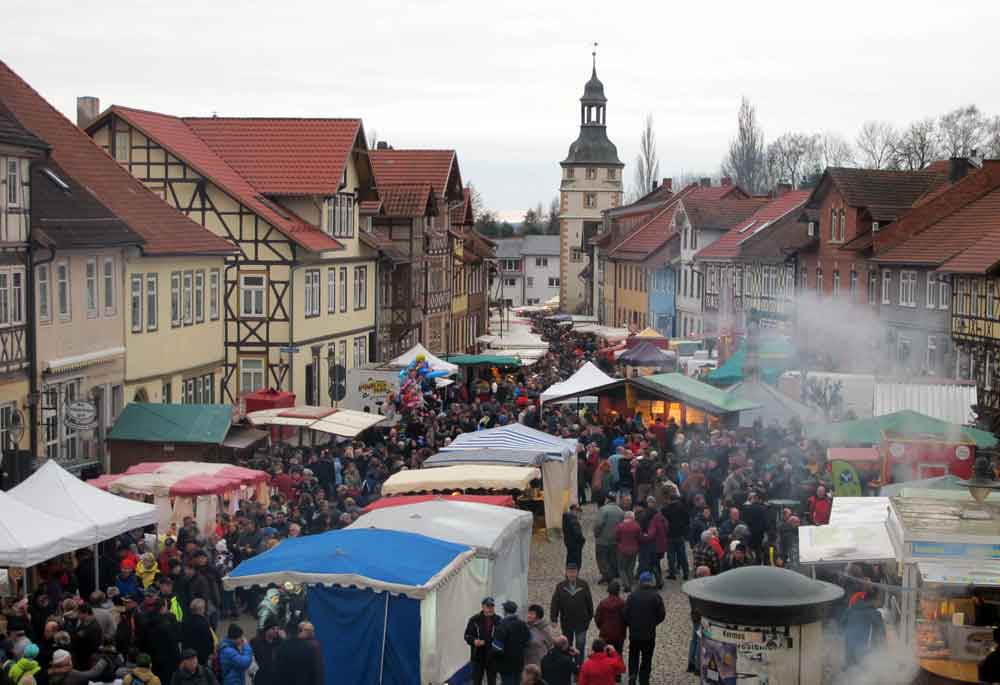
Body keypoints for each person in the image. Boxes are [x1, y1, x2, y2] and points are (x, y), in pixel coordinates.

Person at [623, 572, 665, 685]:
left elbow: (625, 614)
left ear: (640, 582)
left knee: (633, 655)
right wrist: (653, 623)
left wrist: (630, 624)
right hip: (649, 634)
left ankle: (632, 675)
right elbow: (662, 615)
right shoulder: (656, 596)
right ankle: (644, 679)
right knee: (647, 658)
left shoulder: (632, 596)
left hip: (635, 634)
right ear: (651, 582)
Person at [549, 564, 593, 667]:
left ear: (577, 572)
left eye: (574, 572)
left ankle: (579, 667)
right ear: (566, 572)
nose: (572, 574)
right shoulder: (560, 586)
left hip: (581, 622)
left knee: (580, 645)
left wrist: (590, 616)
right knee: (566, 645)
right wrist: (554, 618)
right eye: (570, 572)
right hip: (567, 621)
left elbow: (589, 601)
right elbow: (555, 602)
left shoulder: (583, 585)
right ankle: (568, 666)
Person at [840, 587, 885, 669]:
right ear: (875, 599)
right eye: (880, 599)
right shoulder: (875, 614)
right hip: (865, 658)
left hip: (849, 654)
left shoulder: (850, 610)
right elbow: (881, 638)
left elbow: (841, 626)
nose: (881, 602)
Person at [492, 601, 530, 685]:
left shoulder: (502, 626)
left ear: (505, 611)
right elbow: (528, 641)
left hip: (506, 665)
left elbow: (497, 648)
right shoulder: (523, 624)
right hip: (519, 662)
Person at [464, 597, 498, 685]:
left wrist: (486, 642)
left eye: (492, 606)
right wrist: (474, 641)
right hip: (478, 655)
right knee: (476, 680)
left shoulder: (498, 620)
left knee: (492, 681)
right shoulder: (474, 619)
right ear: (482, 607)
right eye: (488, 606)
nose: (490, 609)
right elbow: (467, 635)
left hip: (492, 656)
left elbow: (500, 638)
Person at [593, 499, 624, 584]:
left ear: (607, 501)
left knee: (602, 558)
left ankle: (606, 575)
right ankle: (612, 574)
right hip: (615, 540)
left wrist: (596, 533)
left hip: (602, 540)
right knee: (612, 558)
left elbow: (599, 524)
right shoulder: (620, 511)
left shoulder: (603, 509)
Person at [687, 566, 711, 673]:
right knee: (700, 641)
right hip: (702, 616)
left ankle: (691, 663)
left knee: (694, 640)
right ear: (704, 575)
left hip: (694, 615)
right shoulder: (704, 587)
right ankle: (697, 667)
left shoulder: (692, 585)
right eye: (708, 574)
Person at [593, 581, 626, 655]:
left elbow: (597, 619)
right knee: (618, 654)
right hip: (619, 635)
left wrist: (602, 628)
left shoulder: (602, 603)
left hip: (605, 635)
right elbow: (626, 619)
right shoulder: (622, 603)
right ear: (618, 591)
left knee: (605, 655)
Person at [663, 494, 690, 580]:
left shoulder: (665, 509)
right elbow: (687, 521)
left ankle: (672, 574)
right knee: (682, 555)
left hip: (670, 535)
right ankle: (686, 573)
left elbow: (663, 523)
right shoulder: (683, 508)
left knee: (671, 556)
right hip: (680, 535)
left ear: (670, 500)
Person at [181, 599, 214, 666]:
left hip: (188, 653)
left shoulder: (185, 621)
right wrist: (211, 652)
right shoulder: (203, 623)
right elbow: (208, 639)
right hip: (201, 655)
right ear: (201, 610)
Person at [249, 620, 283, 685]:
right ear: (266, 629)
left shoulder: (280, 642)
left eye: (277, 629)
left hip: (275, 677)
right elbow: (250, 659)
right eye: (273, 629)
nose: (276, 631)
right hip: (260, 677)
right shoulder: (256, 642)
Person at [615, 511, 641, 592]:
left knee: (622, 568)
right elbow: (639, 537)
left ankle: (626, 585)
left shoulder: (620, 526)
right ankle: (630, 582)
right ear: (632, 517)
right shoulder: (636, 526)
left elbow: (617, 537)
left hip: (622, 550)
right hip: (634, 550)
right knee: (630, 567)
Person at [562, 505, 585, 570]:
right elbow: (578, 534)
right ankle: (573, 576)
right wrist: (583, 540)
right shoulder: (573, 521)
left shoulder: (566, 518)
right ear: (575, 511)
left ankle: (569, 575)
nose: (580, 516)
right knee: (576, 562)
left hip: (569, 543)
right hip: (575, 545)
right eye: (580, 514)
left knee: (570, 560)